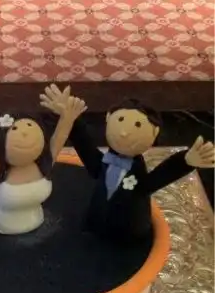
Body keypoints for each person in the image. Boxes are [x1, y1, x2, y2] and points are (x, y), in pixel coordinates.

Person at [39, 85, 215, 242]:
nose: (124, 133)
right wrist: (69, 119)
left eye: (138, 125)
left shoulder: (138, 174)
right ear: (108, 117)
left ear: (155, 133)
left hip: (130, 233)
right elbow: (85, 146)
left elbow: (159, 177)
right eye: (120, 120)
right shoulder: (103, 163)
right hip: (95, 227)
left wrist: (185, 161)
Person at [0, 86, 87, 234]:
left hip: (37, 220)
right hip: (4, 226)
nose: (25, 133)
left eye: (29, 125)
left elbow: (59, 137)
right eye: (15, 129)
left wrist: (67, 117)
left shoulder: (44, 163)